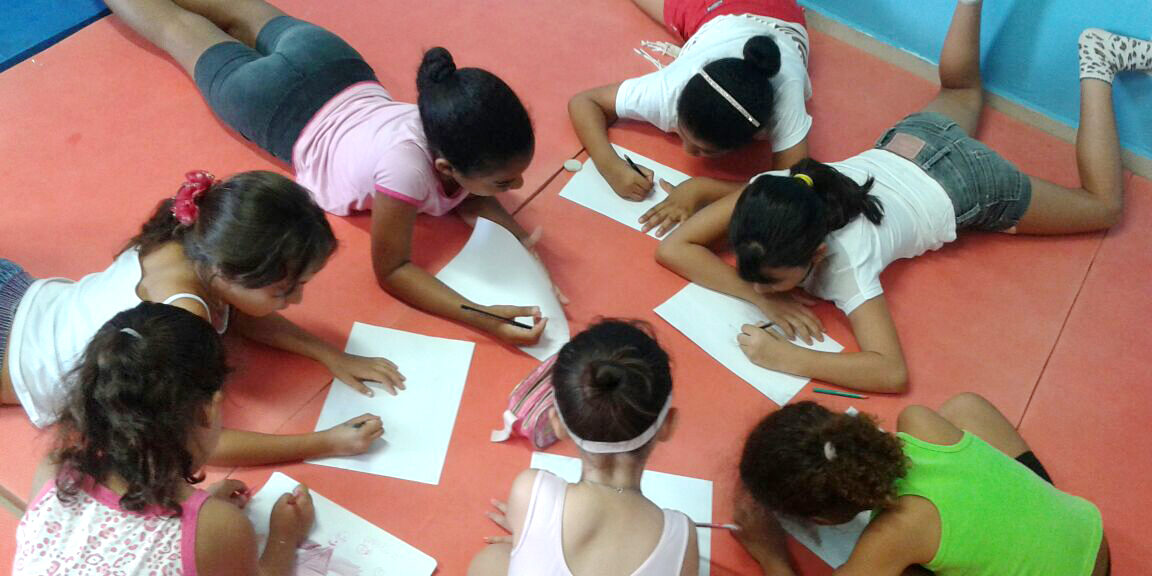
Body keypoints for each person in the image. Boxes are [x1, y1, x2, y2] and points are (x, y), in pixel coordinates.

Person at [656, 0, 1148, 392]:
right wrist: (763, 300)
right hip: (914, 141)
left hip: (971, 184)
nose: (762, 287)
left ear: (818, 252)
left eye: (773, 282)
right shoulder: (773, 190)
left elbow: (890, 371)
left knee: (1101, 206)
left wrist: (789, 357)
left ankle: (1097, 67)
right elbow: (673, 247)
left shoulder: (843, 264)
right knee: (962, 87)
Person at [104, 0, 553, 346]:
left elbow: (472, 192)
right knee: (173, 26)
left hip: (330, 61)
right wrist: (485, 317)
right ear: (445, 166)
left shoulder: (449, 123)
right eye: (504, 182)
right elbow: (394, 269)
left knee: (237, 8)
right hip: (271, 104)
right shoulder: (405, 172)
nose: (516, 189)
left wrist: (517, 237)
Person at [1, 170, 390, 464]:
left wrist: (329, 354)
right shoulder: (180, 320)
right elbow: (191, 443)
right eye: (283, 291)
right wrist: (326, 443)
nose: (297, 299)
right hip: (13, 360)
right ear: (230, 273)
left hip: (17, 290)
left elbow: (238, 313)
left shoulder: (191, 238)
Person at [15, 303, 319, 576]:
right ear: (208, 409)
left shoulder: (55, 470)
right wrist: (284, 536)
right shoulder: (220, 529)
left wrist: (202, 515)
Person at [732, 394, 1109, 575]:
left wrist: (771, 555)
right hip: (1090, 533)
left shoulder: (894, 535)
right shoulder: (917, 421)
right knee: (964, 409)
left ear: (825, 520)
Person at [468, 320, 699, 576]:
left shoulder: (532, 491)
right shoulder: (683, 537)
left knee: (492, 559)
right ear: (667, 425)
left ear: (557, 423)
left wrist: (530, 532)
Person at [568, 0, 814, 236]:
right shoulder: (669, 90)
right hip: (715, 10)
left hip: (779, 14)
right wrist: (609, 166)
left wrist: (704, 189)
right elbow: (584, 102)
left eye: (704, 150)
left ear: (751, 137)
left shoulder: (784, 96)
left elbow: (794, 183)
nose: (687, 150)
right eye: (683, 133)